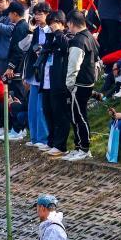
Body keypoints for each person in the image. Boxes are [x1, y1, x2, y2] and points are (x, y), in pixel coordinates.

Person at [63, 10, 99, 162]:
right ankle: (79, 146)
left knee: (79, 116)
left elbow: (74, 65)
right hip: (88, 82)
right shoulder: (90, 36)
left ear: (71, 23)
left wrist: (69, 84)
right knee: (77, 115)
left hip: (79, 84)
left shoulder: (78, 40)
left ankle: (84, 148)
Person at [36, 11, 72, 157]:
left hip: (58, 84)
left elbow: (65, 47)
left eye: (53, 24)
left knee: (60, 115)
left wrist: (57, 31)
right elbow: (46, 49)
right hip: (46, 83)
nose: (50, 27)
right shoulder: (51, 37)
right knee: (48, 113)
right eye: (50, 24)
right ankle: (51, 141)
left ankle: (60, 145)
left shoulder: (67, 36)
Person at [23, 3, 51, 149]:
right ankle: (34, 137)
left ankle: (43, 138)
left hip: (46, 75)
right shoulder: (36, 31)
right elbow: (29, 53)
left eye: (40, 14)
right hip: (34, 74)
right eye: (36, 14)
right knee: (32, 107)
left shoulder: (51, 31)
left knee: (41, 107)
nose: (37, 17)